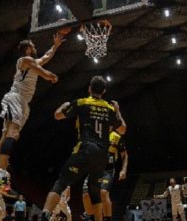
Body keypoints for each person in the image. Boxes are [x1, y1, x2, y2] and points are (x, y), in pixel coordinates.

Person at [0, 32, 66, 177]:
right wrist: (51, 76)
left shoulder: (32, 63)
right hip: (15, 98)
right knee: (14, 133)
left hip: (22, 103)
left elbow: (46, 57)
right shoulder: (25, 60)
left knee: (3, 143)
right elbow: (42, 72)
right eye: (32, 46)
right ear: (27, 49)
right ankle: (1, 176)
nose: (34, 48)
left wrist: (56, 45)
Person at [39, 76, 126, 221]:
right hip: (102, 156)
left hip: (85, 148)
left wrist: (64, 105)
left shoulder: (82, 102)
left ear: (89, 88)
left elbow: (57, 116)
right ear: (103, 91)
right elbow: (122, 129)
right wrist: (118, 111)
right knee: (94, 191)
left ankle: (44, 215)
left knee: (61, 182)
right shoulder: (109, 108)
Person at [81, 131, 128, 221]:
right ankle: (90, 217)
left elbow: (125, 154)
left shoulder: (116, 136)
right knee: (86, 195)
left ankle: (107, 218)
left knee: (103, 192)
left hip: (108, 170)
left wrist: (124, 169)